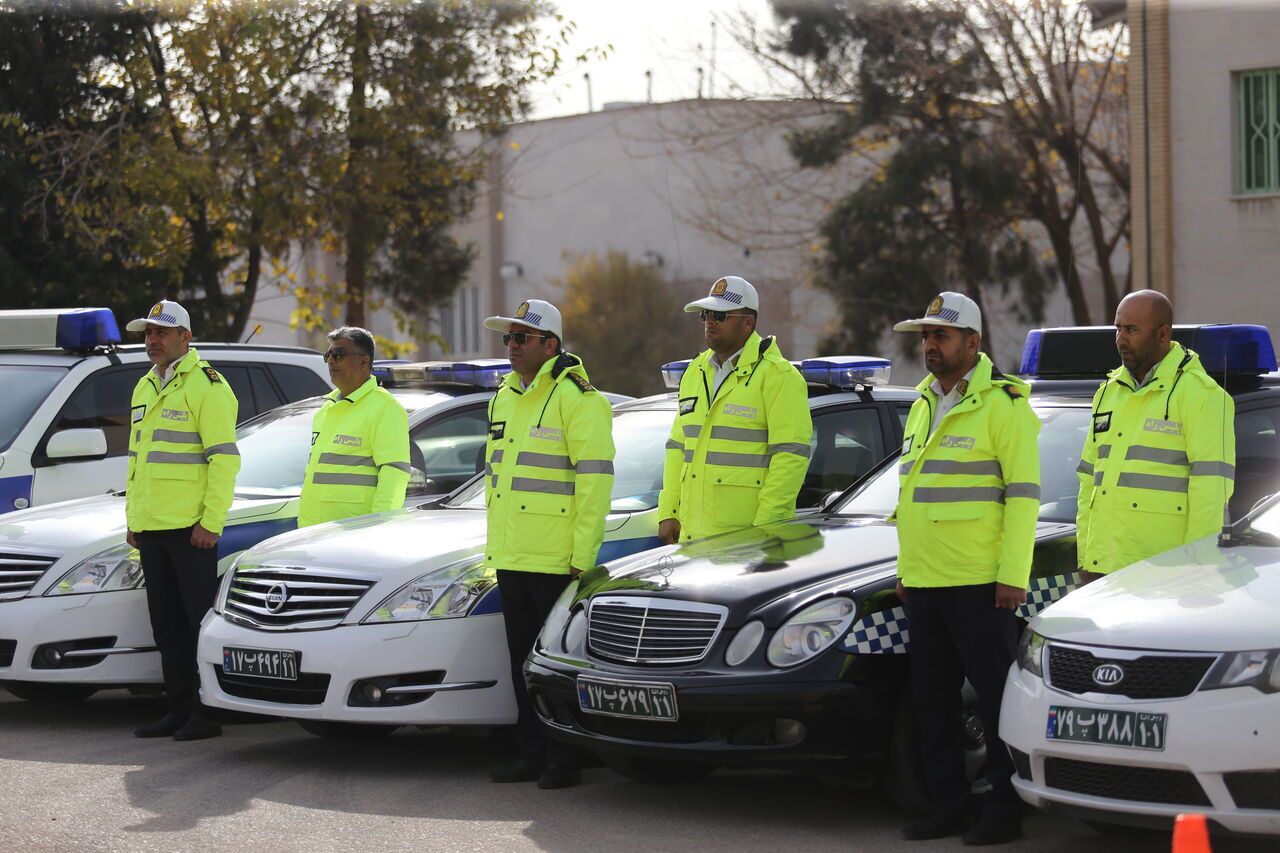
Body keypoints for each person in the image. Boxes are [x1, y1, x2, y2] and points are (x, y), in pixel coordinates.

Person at [892, 292, 1040, 845]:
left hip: (981, 584)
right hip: (926, 582)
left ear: (973, 343)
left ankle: (1004, 812)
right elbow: (911, 496)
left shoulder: (1004, 405)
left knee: (998, 704)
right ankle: (948, 806)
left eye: (941, 335)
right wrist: (907, 570)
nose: (930, 344)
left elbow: (1023, 497)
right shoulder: (922, 402)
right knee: (933, 707)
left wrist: (1012, 575)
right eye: (926, 336)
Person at [482, 299, 614, 789]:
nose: (511, 346)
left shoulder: (578, 398)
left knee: (555, 666)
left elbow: (594, 482)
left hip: (557, 558)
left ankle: (565, 758)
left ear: (550, 344)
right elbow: (499, 481)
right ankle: (532, 752)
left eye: (521, 338)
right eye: (508, 339)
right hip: (512, 554)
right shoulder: (504, 396)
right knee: (521, 661)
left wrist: (583, 556)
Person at [124, 300, 240, 741]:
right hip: (152, 526)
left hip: (190, 530)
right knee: (166, 625)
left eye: (161, 332)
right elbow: (138, 461)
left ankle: (206, 714)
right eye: (147, 333)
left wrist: (211, 523)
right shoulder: (144, 386)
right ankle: (178, 707)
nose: (152, 340)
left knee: (196, 624)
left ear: (185, 338)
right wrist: (134, 518)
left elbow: (224, 462)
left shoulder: (208, 386)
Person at [1076, 290, 1236, 581]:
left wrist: (1197, 570)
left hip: (1165, 574)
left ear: (1163, 334)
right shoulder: (1107, 393)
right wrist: (1088, 557)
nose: (1121, 339)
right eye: (1118, 328)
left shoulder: (1203, 395)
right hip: (1104, 571)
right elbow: (1089, 483)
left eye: (1132, 330)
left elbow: (1211, 494)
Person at [657, 275, 812, 545]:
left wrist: (766, 528)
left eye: (719, 315)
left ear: (748, 322)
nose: (709, 322)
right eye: (706, 315)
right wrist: (669, 511)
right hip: (692, 538)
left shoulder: (778, 376)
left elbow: (789, 459)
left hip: (745, 539)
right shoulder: (695, 371)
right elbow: (677, 447)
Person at [298, 326, 410, 528]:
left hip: (355, 534)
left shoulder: (385, 408)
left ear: (364, 361)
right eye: (328, 355)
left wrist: (380, 528)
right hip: (313, 532)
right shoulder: (326, 410)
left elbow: (394, 476)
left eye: (339, 354)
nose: (331, 360)